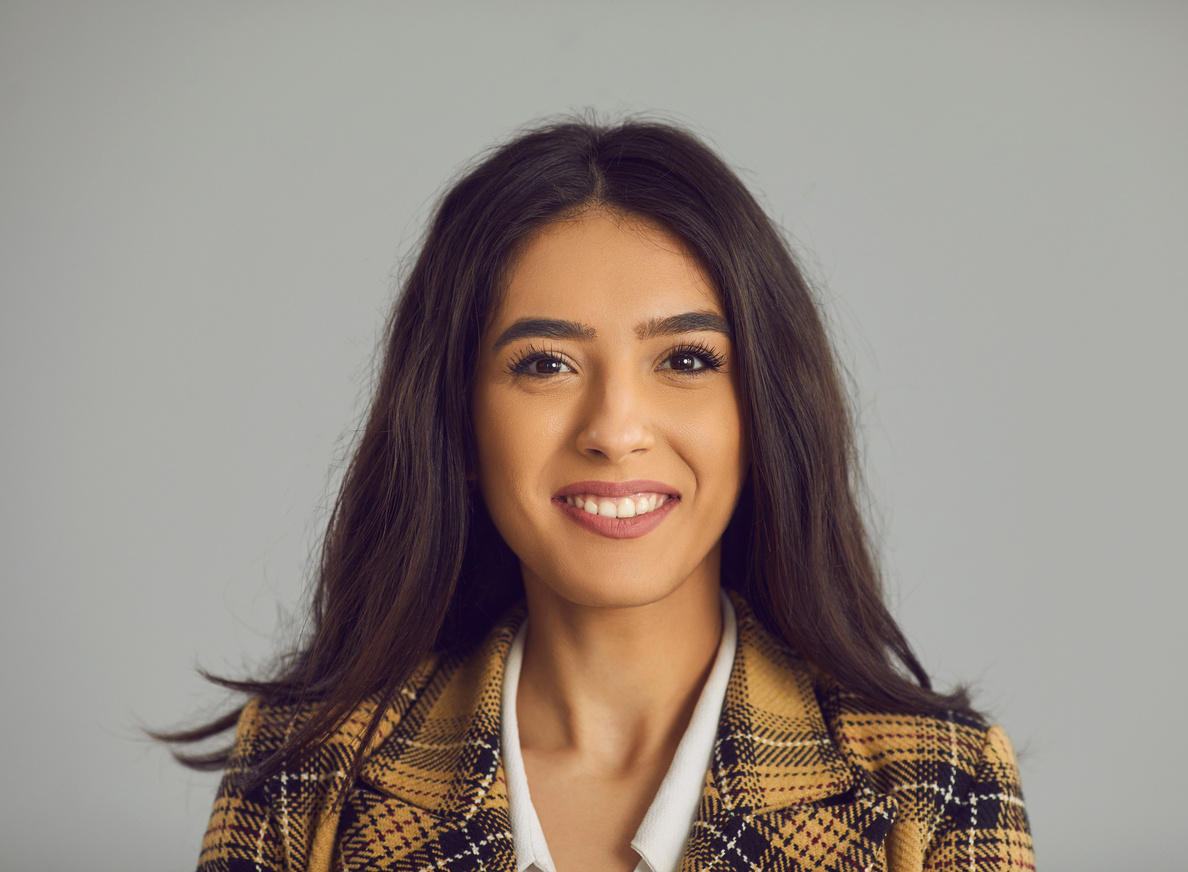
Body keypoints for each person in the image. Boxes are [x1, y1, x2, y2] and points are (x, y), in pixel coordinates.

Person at [164, 117, 1035, 871]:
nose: (616, 429)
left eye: (686, 360)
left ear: (762, 413)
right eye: (545, 365)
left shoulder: (939, 787)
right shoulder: (300, 772)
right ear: (459, 427)